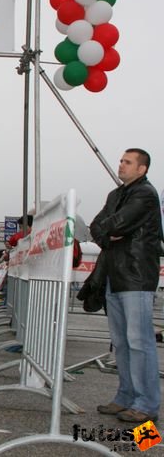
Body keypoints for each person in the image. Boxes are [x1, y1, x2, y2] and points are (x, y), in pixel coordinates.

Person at [91, 148, 162, 424]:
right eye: (121, 160)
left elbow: (118, 222)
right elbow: (99, 226)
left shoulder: (145, 194)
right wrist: (110, 236)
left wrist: (111, 230)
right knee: (120, 342)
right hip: (114, 275)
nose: (121, 165)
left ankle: (146, 404)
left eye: (127, 162)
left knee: (139, 341)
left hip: (136, 276)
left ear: (142, 169)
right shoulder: (116, 194)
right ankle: (125, 397)